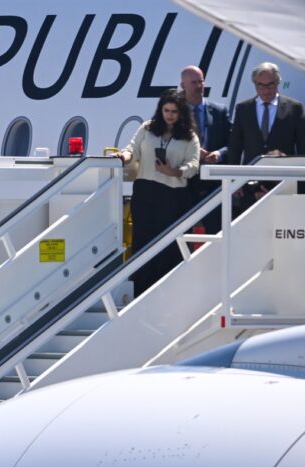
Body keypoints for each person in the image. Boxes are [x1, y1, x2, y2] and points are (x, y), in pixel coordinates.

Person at [116, 89, 199, 297]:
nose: (169, 115)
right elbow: (132, 148)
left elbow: (194, 165)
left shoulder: (189, 137)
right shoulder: (148, 128)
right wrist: (123, 157)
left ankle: (167, 293)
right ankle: (140, 291)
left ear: (182, 113)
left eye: (174, 111)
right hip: (145, 191)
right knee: (143, 241)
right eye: (166, 110)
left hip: (172, 195)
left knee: (167, 245)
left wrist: (174, 171)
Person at [227, 62, 305, 210]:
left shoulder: (294, 108)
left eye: (270, 85)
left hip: (284, 182)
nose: (265, 90)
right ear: (254, 85)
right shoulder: (243, 109)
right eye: (260, 86)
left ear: (278, 83)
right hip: (250, 184)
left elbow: (302, 147)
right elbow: (235, 146)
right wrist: (234, 179)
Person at [181, 65, 232, 234]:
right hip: (184, 182)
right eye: (193, 82)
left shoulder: (219, 111)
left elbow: (233, 143)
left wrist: (218, 154)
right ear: (183, 86)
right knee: (182, 233)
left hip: (213, 183)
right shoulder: (174, 113)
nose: (198, 86)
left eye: (201, 82)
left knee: (216, 231)